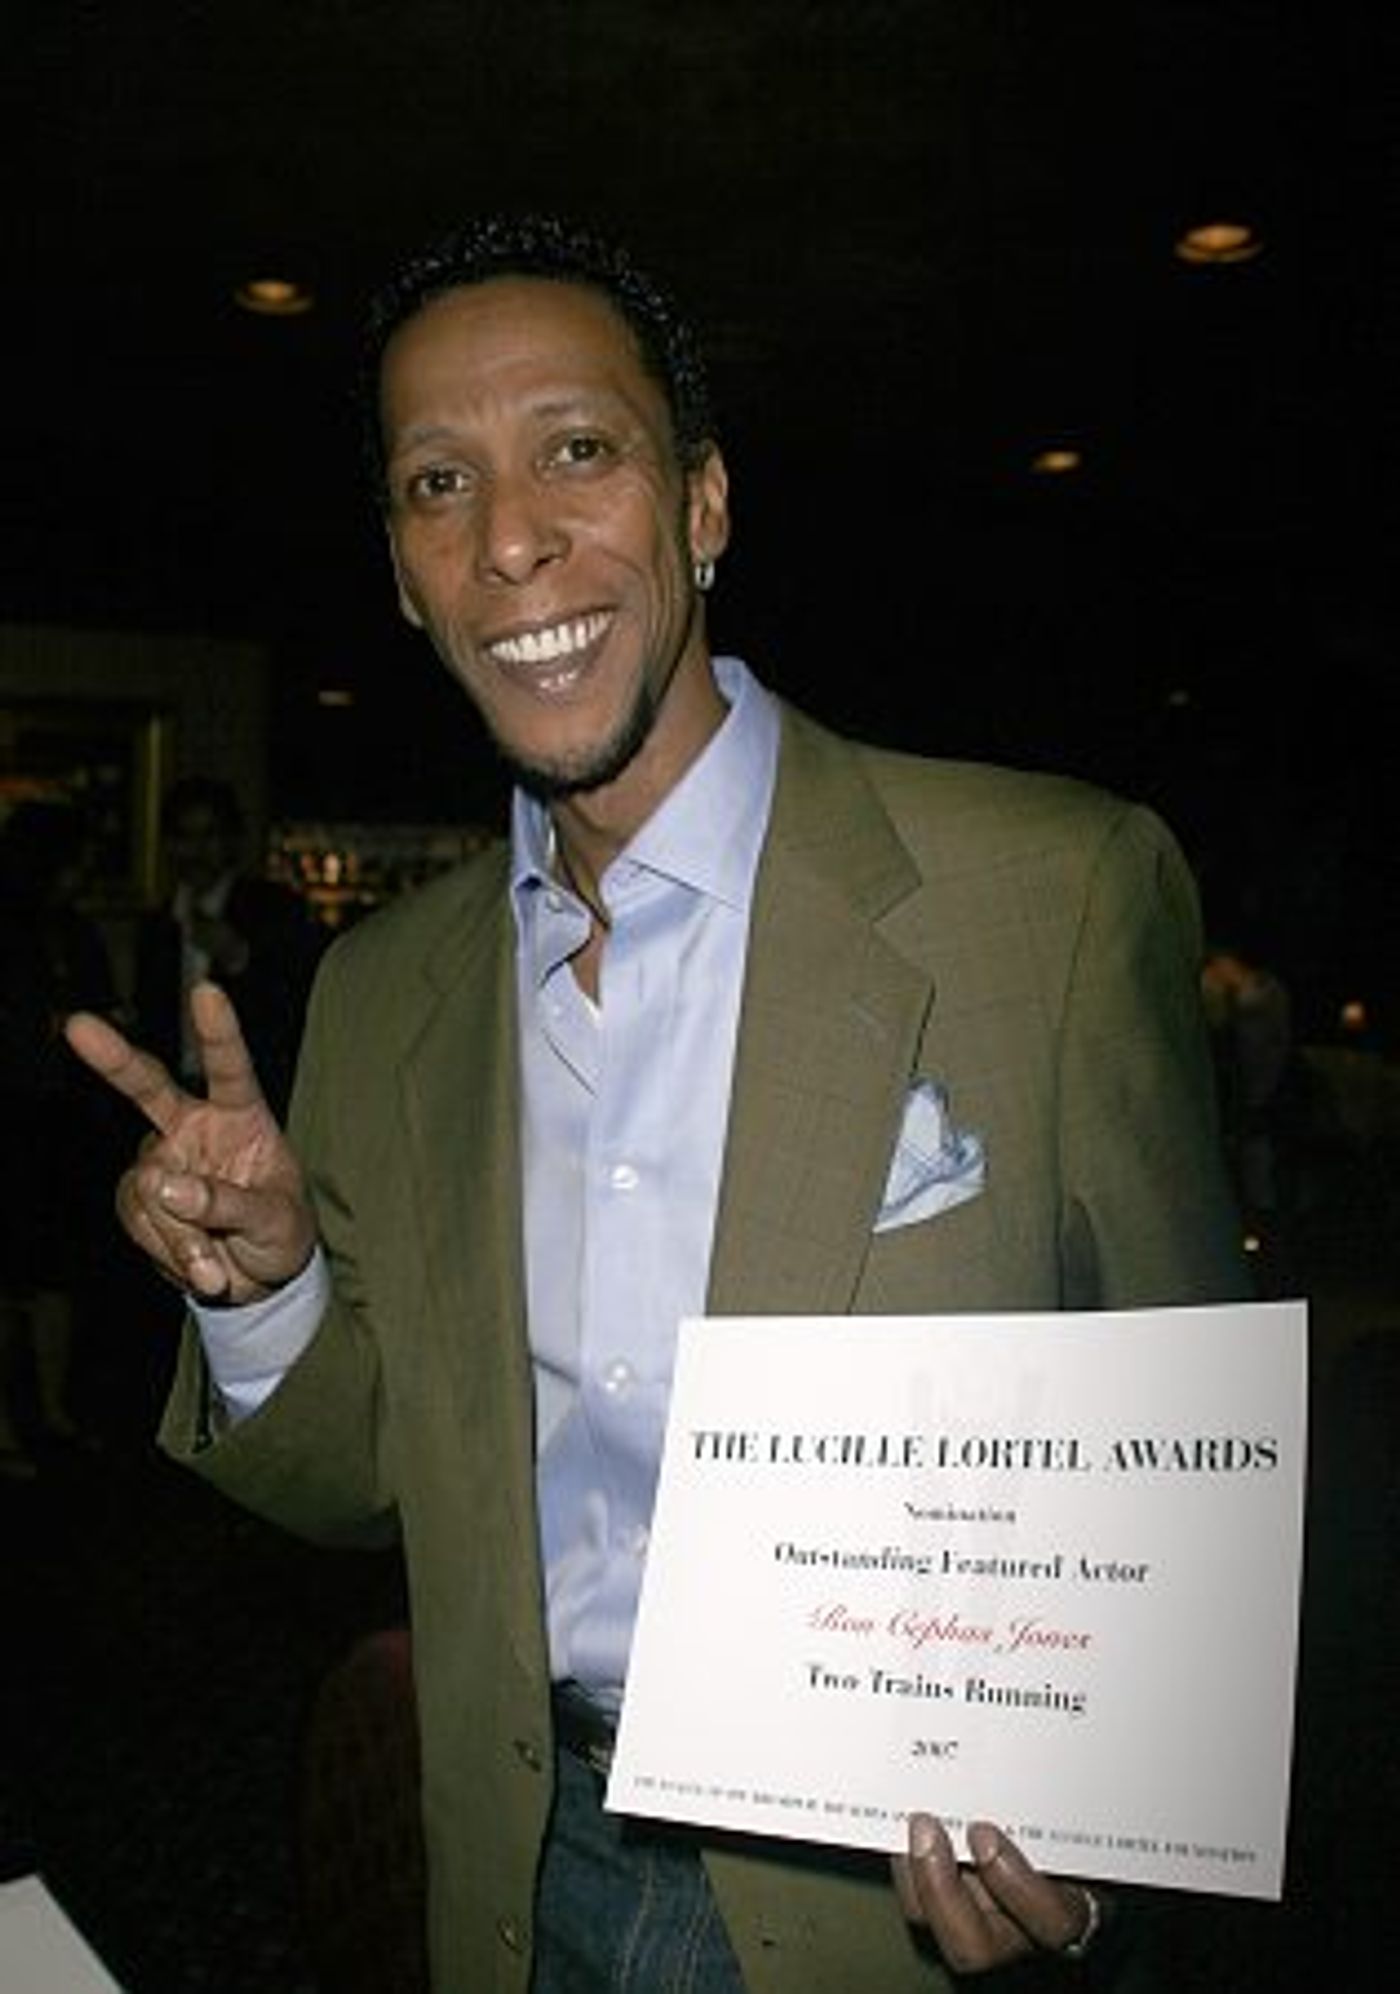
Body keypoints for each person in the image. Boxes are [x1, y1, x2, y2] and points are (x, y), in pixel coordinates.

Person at [66, 215, 1250, 1990]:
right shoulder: (386, 991)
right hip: (514, 1860)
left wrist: (1102, 1875)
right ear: (403, 574)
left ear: (702, 503)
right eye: (440, 482)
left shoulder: (1051, 895)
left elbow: (1199, 1478)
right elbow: (379, 1482)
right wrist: (272, 1291)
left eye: (576, 449)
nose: (510, 538)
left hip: (884, 1907)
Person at [0, 800, 120, 1473]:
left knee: (54, 1274)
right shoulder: (18, 931)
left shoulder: (73, 932)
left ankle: (49, 1413)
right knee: (14, 1277)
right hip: (15, 1117)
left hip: (60, 1121)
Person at [133, 775, 326, 1118]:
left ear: (232, 840)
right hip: (176, 1100)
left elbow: (300, 1008)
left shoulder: (274, 911)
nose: (197, 850)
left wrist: (240, 959)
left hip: (256, 1100)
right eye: (185, 836)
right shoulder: (157, 927)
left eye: (210, 835)